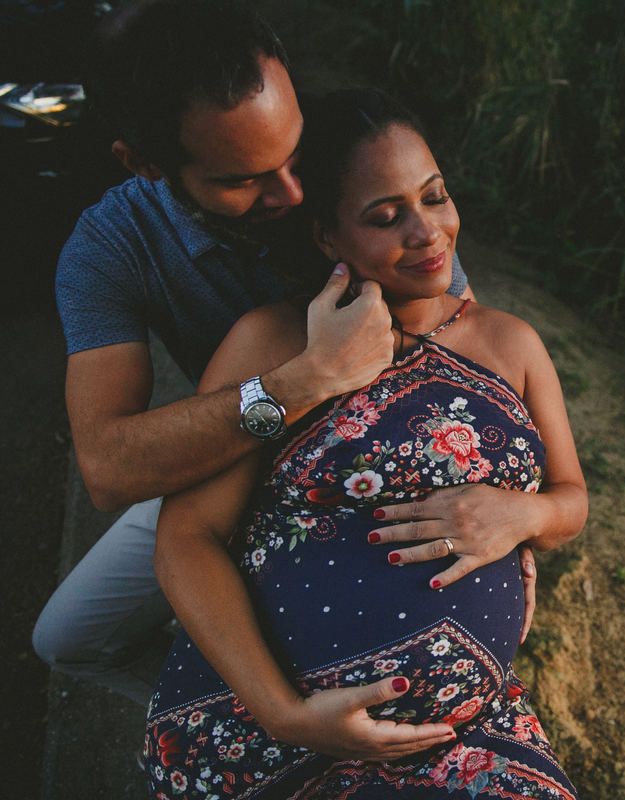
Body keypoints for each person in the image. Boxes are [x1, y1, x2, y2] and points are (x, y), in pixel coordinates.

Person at [33, 0, 545, 760]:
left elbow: (467, 363)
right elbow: (108, 468)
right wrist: (299, 382)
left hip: (377, 463)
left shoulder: (351, 158)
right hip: (231, 462)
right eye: (244, 180)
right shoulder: (106, 251)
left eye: (292, 152)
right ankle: (260, 712)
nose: (292, 194)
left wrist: (516, 523)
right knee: (68, 637)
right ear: (145, 164)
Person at [143, 87, 586, 799]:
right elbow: (186, 538)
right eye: (386, 217)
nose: (427, 231)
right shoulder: (274, 344)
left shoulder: (512, 343)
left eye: (434, 196)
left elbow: (572, 500)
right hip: (269, 731)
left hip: (465, 736)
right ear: (327, 237)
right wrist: (285, 715)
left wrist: (524, 516)